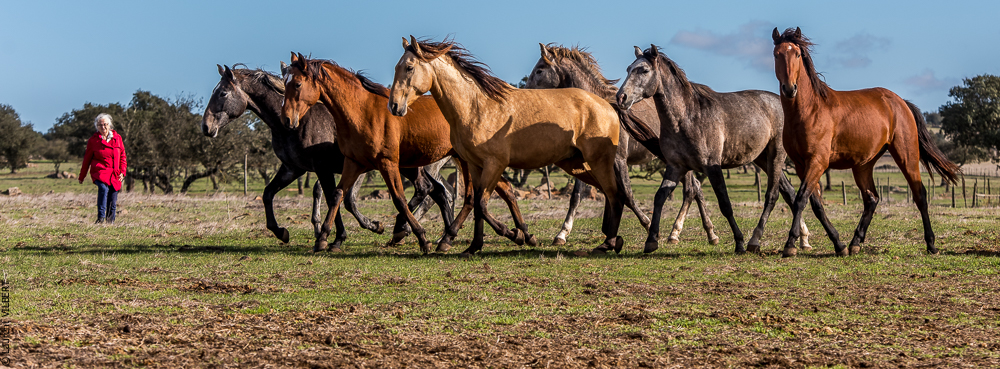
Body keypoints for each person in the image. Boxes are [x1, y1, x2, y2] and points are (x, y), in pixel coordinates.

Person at [79, 113, 127, 224]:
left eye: (105, 124)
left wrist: (123, 172)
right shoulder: (93, 141)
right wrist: (82, 176)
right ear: (97, 126)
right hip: (99, 172)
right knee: (103, 189)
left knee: (113, 196)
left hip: (114, 173)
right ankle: (100, 218)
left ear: (109, 125)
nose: (103, 127)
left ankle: (110, 221)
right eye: (100, 125)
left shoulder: (117, 138)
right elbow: (87, 160)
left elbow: (123, 156)